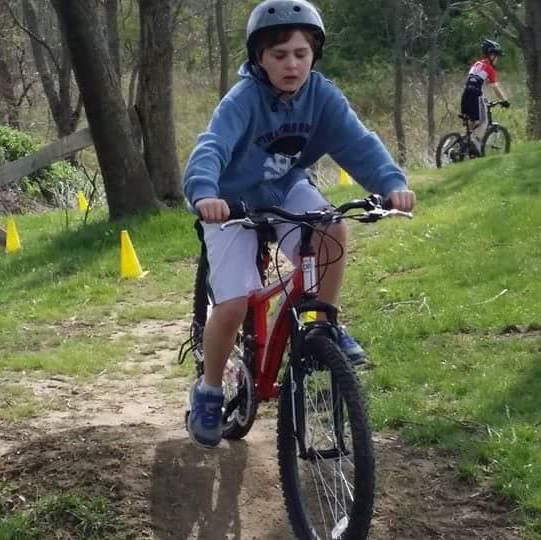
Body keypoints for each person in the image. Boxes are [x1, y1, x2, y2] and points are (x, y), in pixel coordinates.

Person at [182, 0, 416, 449]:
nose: (291, 64)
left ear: (314, 55)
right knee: (232, 305)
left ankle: (322, 325)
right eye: (279, 55)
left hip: (285, 187)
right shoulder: (243, 100)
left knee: (331, 228)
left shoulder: (322, 97)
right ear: (259, 58)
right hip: (229, 203)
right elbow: (211, 146)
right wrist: (205, 193)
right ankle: (210, 390)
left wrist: (392, 184)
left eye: (300, 53)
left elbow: (359, 144)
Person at [461, 39, 511, 156]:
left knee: (473, 123)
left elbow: (473, 81)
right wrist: (504, 100)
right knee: (484, 122)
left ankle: (465, 146)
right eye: (497, 56)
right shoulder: (489, 68)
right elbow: (495, 87)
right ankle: (475, 145)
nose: (497, 59)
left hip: (465, 96)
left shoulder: (476, 64)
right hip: (476, 97)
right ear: (491, 55)